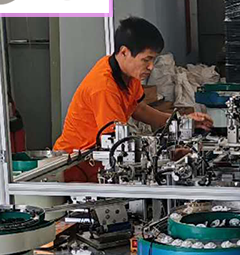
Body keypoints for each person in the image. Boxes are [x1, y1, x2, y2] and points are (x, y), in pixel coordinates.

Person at [54, 16, 213, 181]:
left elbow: (139, 109)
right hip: (78, 166)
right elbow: (118, 144)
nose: (151, 67)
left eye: (153, 59)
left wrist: (182, 122)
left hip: (100, 161)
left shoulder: (128, 75)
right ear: (124, 52)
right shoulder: (104, 87)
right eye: (146, 59)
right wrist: (169, 154)